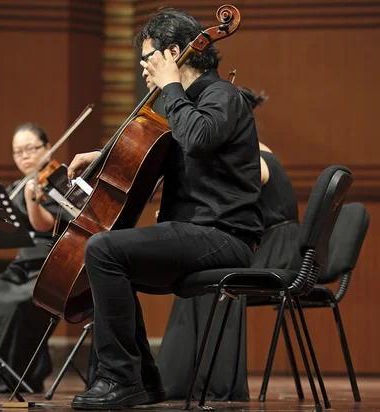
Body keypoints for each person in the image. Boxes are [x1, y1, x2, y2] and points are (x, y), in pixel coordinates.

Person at [65, 8, 264, 410]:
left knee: (104, 250)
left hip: (225, 237)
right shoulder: (182, 105)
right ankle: (145, 380)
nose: (144, 69)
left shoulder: (221, 95)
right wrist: (106, 156)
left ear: (173, 53)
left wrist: (171, 84)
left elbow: (197, 138)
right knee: (109, 255)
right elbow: (149, 159)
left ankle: (120, 379)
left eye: (148, 58)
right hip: (196, 234)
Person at [155, 87, 300, 402]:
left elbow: (257, 176)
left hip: (279, 249)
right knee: (201, 273)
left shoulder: (256, 153)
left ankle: (202, 382)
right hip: (271, 243)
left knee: (211, 274)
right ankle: (189, 380)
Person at [0, 123, 68, 393]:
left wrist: (33, 202)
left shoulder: (63, 180)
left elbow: (44, 226)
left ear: (48, 148)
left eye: (31, 149)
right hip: (24, 263)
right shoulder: (16, 187)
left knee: (16, 302)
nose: (25, 156)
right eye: (18, 152)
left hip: (54, 263)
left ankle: (22, 375)